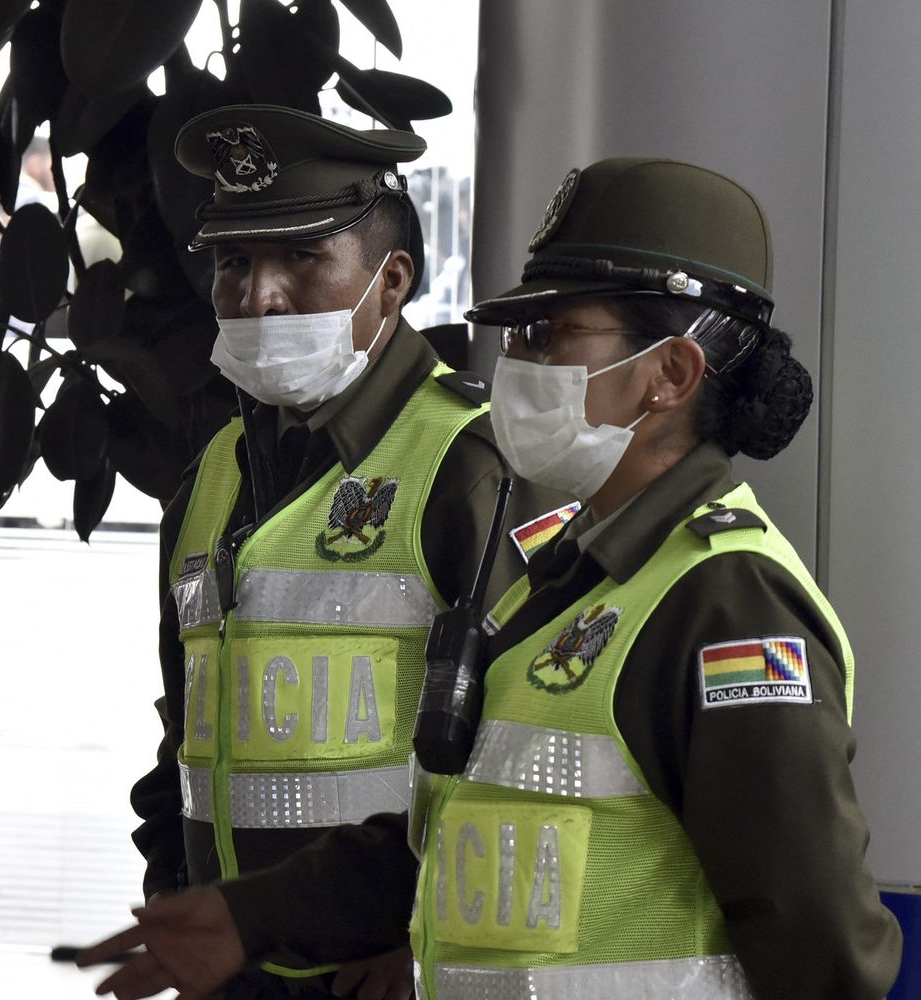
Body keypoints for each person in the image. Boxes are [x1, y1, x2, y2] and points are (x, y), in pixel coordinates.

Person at [83, 157, 903, 999]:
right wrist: (249, 917)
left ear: (672, 373)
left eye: (553, 334)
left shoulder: (726, 605)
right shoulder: (572, 579)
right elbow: (450, 834)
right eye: (517, 332)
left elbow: (824, 953)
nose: (518, 359)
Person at [126, 104, 565, 1000]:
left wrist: (419, 936)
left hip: (382, 970)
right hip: (227, 963)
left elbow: (535, 754)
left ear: (391, 281)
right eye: (234, 263)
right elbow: (185, 724)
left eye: (301, 258)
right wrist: (171, 887)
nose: (260, 296)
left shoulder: (472, 465)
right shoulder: (214, 472)